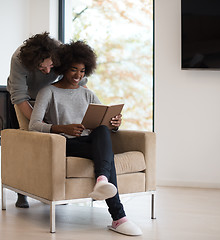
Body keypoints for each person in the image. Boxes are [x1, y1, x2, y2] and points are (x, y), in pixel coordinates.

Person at [29, 41, 142, 236]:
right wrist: (61, 128)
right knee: (106, 158)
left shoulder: (87, 94)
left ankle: (102, 180)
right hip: (64, 144)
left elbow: (103, 120)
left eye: (82, 71)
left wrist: (114, 123)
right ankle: (119, 217)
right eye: (73, 70)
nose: (78, 76)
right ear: (64, 67)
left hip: (88, 142)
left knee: (102, 131)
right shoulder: (48, 92)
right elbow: (34, 125)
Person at [7, 32, 87, 208]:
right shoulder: (19, 59)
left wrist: (84, 105)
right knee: (27, 144)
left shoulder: (61, 52)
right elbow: (19, 97)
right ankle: (22, 192)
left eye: (51, 66)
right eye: (42, 69)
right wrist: (40, 122)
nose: (48, 72)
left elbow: (79, 81)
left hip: (50, 96)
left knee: (54, 141)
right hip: (24, 99)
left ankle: (52, 190)